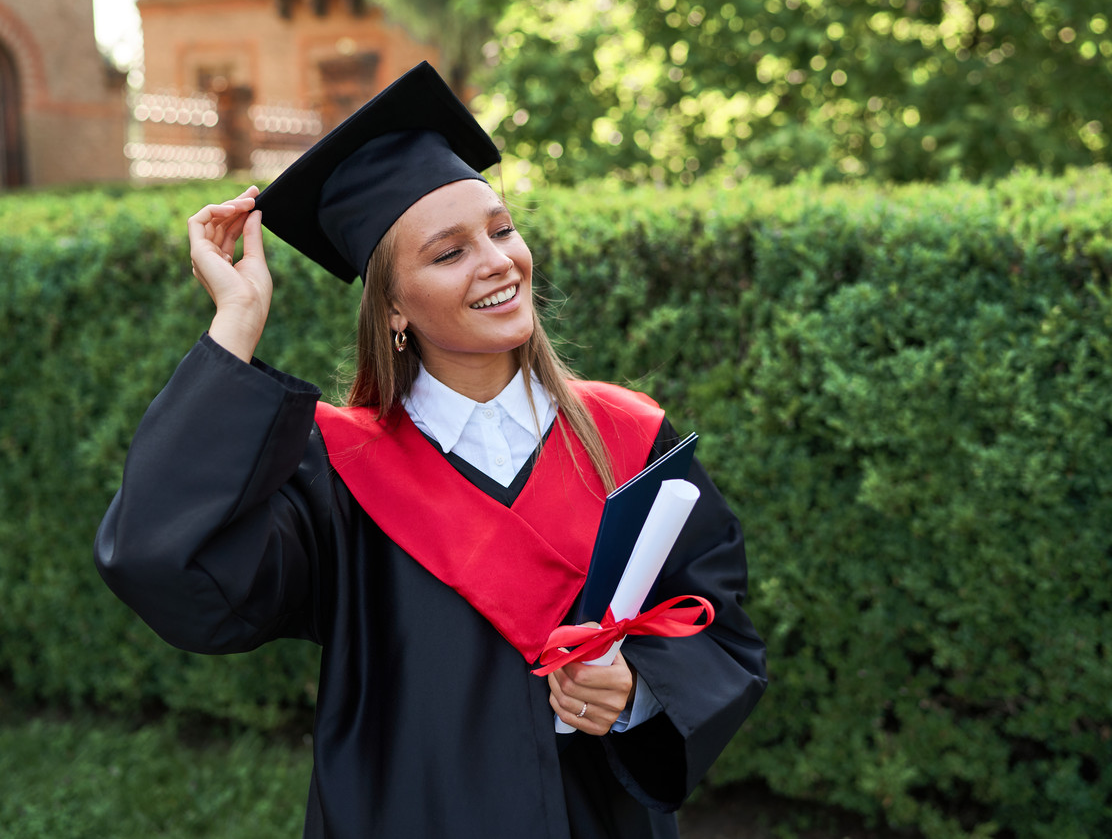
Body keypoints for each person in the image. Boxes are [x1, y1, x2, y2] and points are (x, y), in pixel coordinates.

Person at [94, 61, 766, 839]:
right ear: (392, 309)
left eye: (501, 228)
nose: (496, 261)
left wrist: (640, 689)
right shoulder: (332, 472)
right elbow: (160, 559)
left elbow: (720, 627)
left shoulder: (628, 437)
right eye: (448, 253)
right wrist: (237, 321)